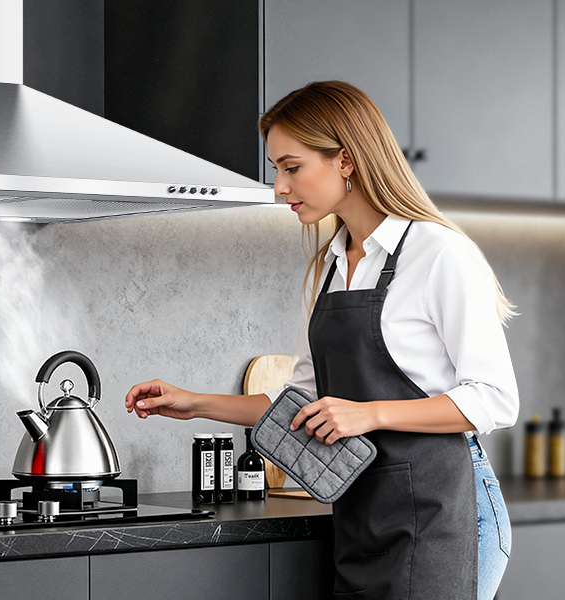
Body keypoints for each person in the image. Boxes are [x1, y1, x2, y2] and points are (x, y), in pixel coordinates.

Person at [124, 81, 518, 600]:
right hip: (362, 514)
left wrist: (368, 414)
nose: (279, 187)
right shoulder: (328, 267)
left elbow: (495, 399)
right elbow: (303, 402)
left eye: (292, 167)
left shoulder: (438, 253)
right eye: (276, 169)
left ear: (346, 161)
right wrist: (196, 403)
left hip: (445, 511)